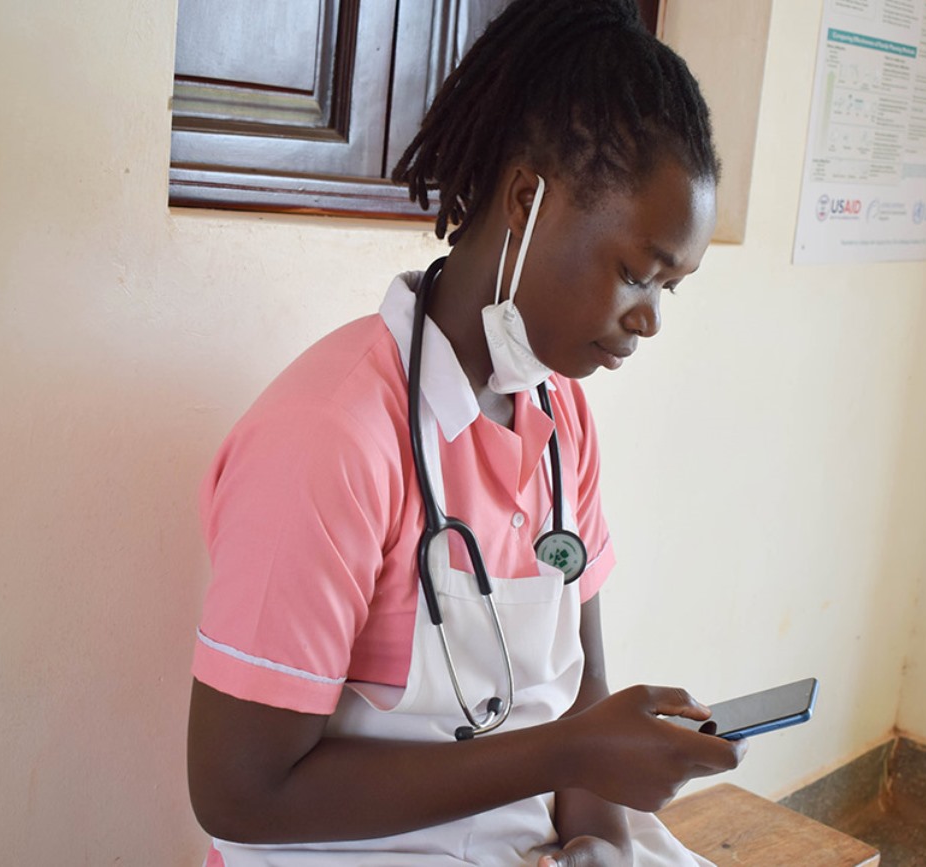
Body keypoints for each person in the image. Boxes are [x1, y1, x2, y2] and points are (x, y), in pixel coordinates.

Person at [187, 1, 745, 864]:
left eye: (673, 286)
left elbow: (581, 697)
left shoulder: (560, 420)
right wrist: (568, 752)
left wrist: (598, 840)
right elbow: (238, 792)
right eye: (638, 272)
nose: (651, 320)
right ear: (529, 196)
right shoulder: (329, 440)